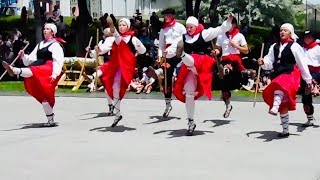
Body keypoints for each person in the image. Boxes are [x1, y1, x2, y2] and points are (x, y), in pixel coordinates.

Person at [173, 14, 232, 135]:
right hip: (190, 68)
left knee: (191, 59)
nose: (188, 29)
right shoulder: (183, 38)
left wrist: (228, 21)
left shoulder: (203, 34)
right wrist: (164, 53)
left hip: (202, 63)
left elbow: (219, 29)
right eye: (187, 27)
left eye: (191, 27)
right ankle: (191, 122)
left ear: (196, 26)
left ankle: (183, 55)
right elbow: (172, 48)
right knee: (188, 92)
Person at [2, 23, 65, 127]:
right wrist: (23, 56)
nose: (45, 30)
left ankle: (14, 70)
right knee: (44, 97)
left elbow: (58, 60)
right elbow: (31, 59)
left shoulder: (55, 45)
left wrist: (55, 74)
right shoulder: (40, 44)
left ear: (52, 32)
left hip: (49, 69)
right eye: (44, 29)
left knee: (33, 70)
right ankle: (50, 120)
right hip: (38, 67)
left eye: (48, 29)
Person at [257, 23, 312, 137]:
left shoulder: (295, 46)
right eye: (281, 30)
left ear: (290, 33)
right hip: (277, 74)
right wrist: (263, 62)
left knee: (279, 85)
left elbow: (302, 63)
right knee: (284, 104)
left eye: (285, 30)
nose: (282, 32)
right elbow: (269, 61)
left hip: (290, 74)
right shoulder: (274, 46)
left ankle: (275, 106)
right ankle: (285, 130)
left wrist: (308, 80)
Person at [99, 17, 146, 127]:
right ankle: (117, 114)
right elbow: (103, 49)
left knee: (116, 87)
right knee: (114, 87)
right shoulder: (111, 39)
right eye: (119, 25)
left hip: (126, 65)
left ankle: (116, 112)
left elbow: (143, 50)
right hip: (116, 64)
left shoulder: (132, 39)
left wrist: (138, 47)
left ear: (128, 26)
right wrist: (94, 50)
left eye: (123, 25)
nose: (121, 26)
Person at [214, 17, 249, 118]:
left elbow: (246, 50)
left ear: (234, 25)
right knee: (224, 86)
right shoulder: (221, 36)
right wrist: (215, 52)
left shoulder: (239, 36)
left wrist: (236, 46)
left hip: (235, 60)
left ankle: (225, 70)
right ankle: (228, 105)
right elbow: (218, 49)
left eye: (230, 24)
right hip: (224, 59)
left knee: (228, 70)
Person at [158, 8, 186, 118]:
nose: (166, 17)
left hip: (179, 54)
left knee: (182, 77)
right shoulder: (163, 30)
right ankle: (168, 104)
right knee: (166, 80)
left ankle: (186, 98)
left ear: (173, 16)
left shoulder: (180, 27)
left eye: (168, 15)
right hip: (168, 56)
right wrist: (160, 57)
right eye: (165, 15)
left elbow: (185, 41)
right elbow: (161, 45)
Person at [83, 27, 115, 115]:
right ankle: (111, 106)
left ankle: (93, 76)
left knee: (103, 68)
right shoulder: (102, 42)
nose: (106, 35)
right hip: (105, 64)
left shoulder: (112, 40)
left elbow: (103, 49)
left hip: (113, 64)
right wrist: (90, 51)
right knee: (107, 88)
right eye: (105, 34)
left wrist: (98, 49)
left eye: (108, 33)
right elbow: (96, 53)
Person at [301, 30, 320, 127]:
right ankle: (310, 118)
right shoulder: (302, 49)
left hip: (315, 72)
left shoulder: (318, 48)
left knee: (312, 80)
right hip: (304, 73)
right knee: (305, 98)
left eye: (309, 37)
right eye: (305, 37)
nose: (306, 39)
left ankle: (314, 87)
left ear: (313, 38)